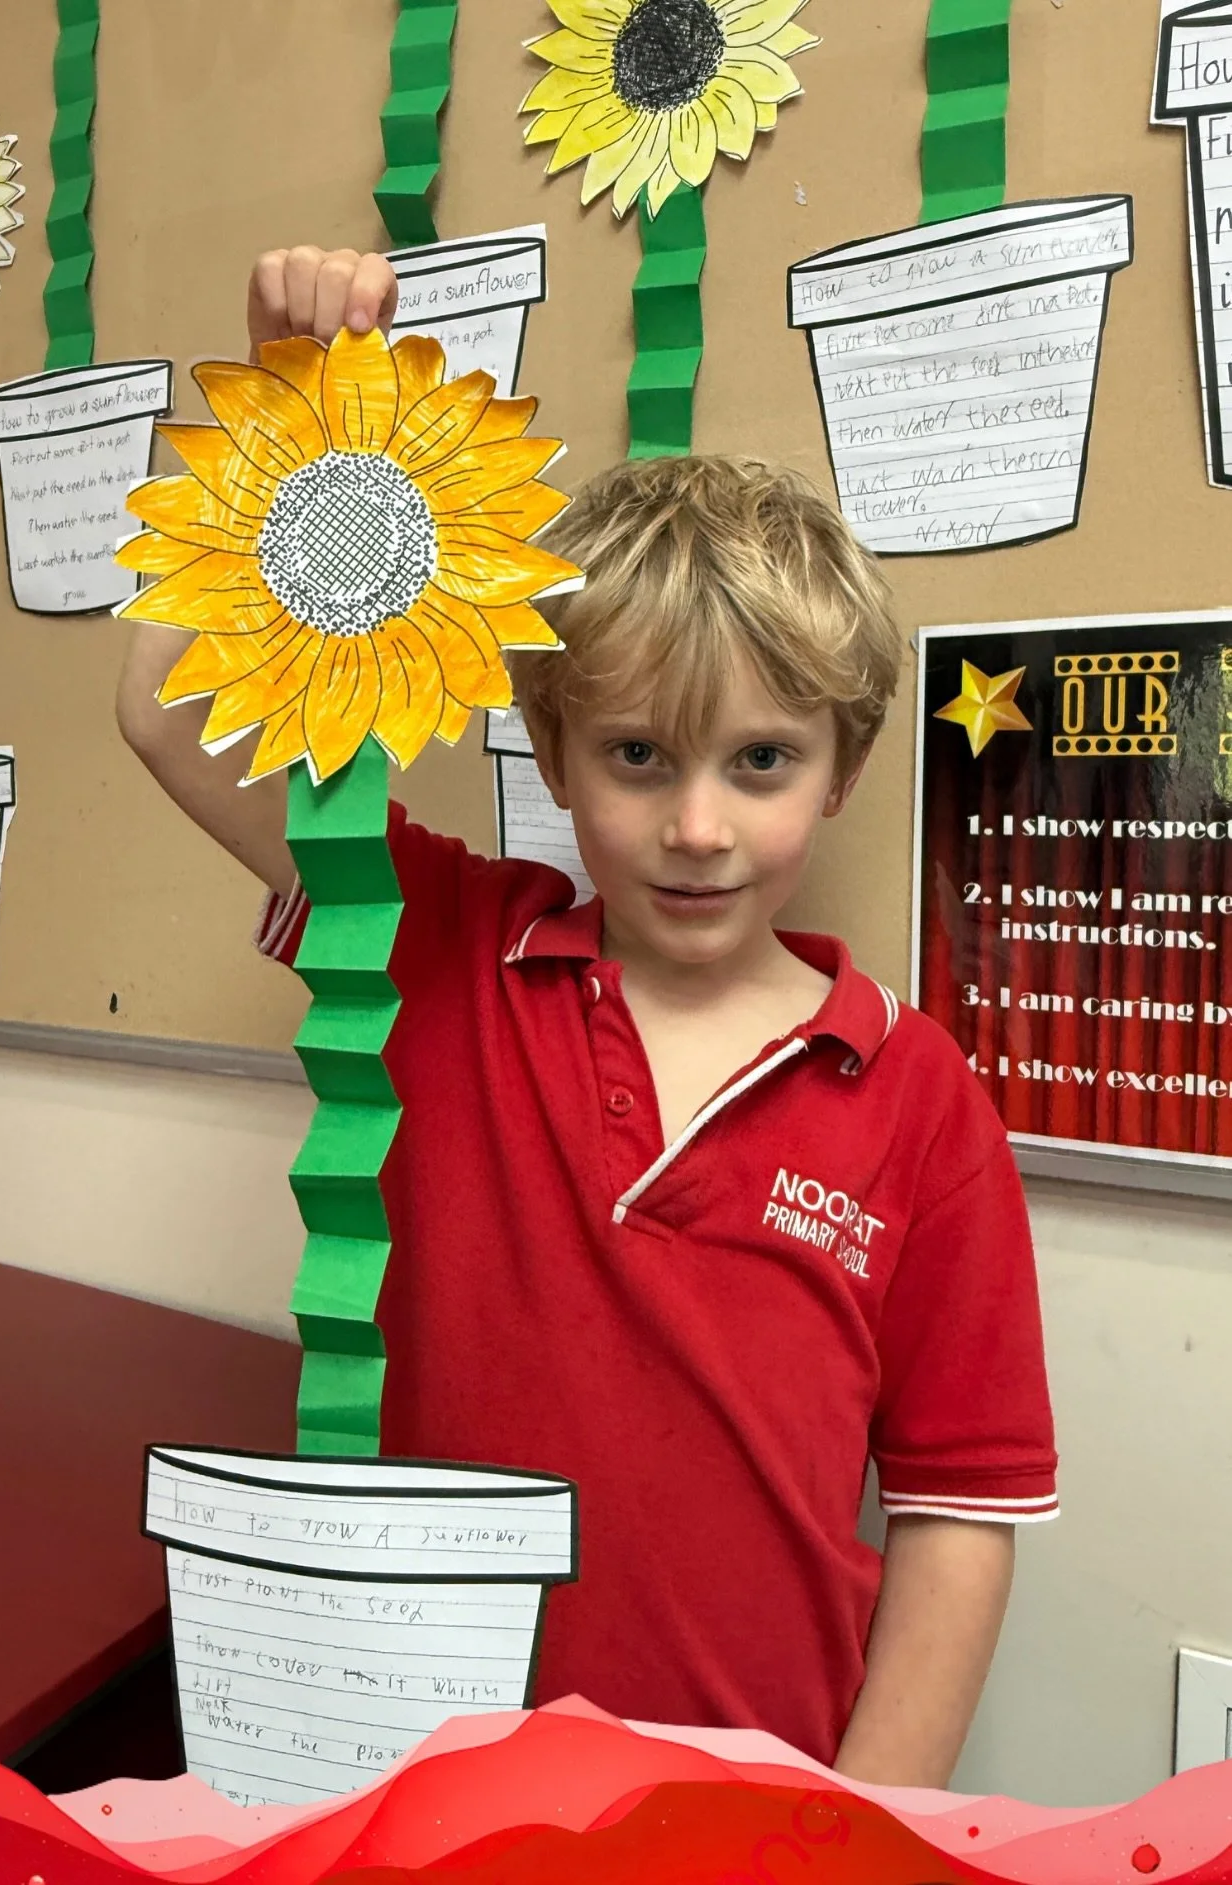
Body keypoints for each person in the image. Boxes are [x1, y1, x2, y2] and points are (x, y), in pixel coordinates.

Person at [118, 244, 1057, 1787]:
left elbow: (960, 1509)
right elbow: (164, 713)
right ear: (552, 760)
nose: (697, 827)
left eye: (758, 763)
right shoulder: (437, 948)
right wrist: (290, 424)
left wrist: (860, 1827)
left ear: (842, 768)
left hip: (749, 1812)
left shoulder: (914, 1095)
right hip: (411, 1788)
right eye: (636, 758)